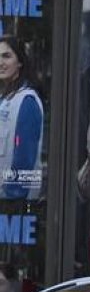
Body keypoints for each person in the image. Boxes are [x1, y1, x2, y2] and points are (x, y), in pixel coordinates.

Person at [0, 36, 44, 200]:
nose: (0, 62)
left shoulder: (27, 101)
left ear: (20, 62)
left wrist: (13, 198)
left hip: (13, 206)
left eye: (6, 56)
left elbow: (25, 158)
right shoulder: (5, 99)